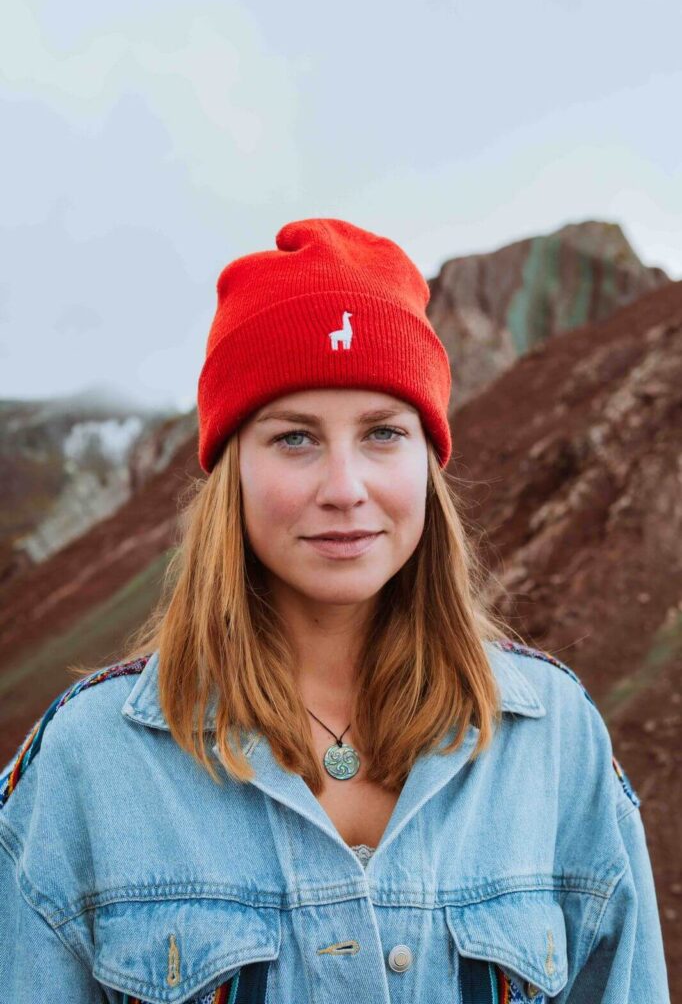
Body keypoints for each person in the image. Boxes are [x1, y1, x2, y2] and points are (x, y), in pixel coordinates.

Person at [0, 217, 670, 1003]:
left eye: (384, 433)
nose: (345, 487)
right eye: (295, 439)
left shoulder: (556, 744)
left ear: (427, 462)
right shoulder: (89, 765)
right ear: (231, 472)